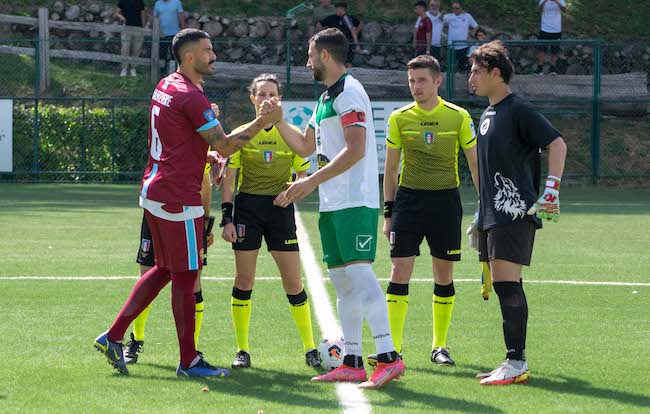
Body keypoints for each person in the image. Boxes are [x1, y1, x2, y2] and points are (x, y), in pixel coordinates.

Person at [93, 28, 283, 378]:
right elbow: (226, 145)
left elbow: (177, 135)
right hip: (178, 198)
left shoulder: (167, 84)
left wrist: (203, 154)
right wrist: (262, 122)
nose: (214, 56)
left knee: (166, 268)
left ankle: (114, 336)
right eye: (208, 51)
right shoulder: (192, 97)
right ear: (190, 56)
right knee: (186, 273)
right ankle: (189, 361)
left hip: (155, 190)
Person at [274, 28, 405, 389]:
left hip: (355, 200)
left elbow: (357, 149)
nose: (306, 61)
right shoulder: (325, 99)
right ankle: (352, 360)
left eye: (310, 54)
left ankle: (389, 357)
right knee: (343, 284)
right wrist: (276, 120)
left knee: (360, 276)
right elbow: (304, 146)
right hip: (333, 204)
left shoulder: (350, 92)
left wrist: (309, 182)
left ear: (326, 56)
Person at [369, 54, 478, 368]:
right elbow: (390, 170)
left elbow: (474, 163)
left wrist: (484, 209)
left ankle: (439, 346)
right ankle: (393, 348)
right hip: (408, 202)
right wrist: (388, 214)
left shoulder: (458, 116)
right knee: (399, 269)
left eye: (422, 80)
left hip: (446, 202)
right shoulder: (399, 118)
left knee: (443, 274)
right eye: (411, 81)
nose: (415, 87)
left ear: (437, 81)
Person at [468, 40, 567, 385]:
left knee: (507, 285)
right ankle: (512, 360)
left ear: (497, 73)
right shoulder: (488, 113)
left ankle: (517, 363)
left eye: (477, 71)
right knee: (504, 285)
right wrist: (481, 213)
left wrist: (551, 188)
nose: (471, 78)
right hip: (494, 214)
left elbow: (557, 143)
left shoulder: (518, 109)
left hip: (514, 213)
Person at [220, 73, 319, 369]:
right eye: (260, 94)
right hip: (248, 209)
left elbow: (302, 177)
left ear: (279, 99)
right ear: (252, 99)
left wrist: (290, 193)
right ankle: (242, 350)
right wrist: (226, 219)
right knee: (244, 280)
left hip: (280, 211)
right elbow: (229, 180)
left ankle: (310, 348)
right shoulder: (241, 134)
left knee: (293, 282)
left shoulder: (290, 133)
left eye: (271, 94)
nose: (266, 99)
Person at [124, 151, 221, 364]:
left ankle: (192, 350)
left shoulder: (197, 138)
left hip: (186, 215)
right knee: (146, 274)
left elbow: (205, 183)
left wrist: (205, 224)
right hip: (157, 207)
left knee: (193, 281)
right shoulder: (170, 130)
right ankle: (136, 339)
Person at [319, 2, 367, 67]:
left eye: (337, 9)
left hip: (346, 42)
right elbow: (319, 24)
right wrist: (324, 32)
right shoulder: (332, 18)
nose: (336, 11)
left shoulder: (346, 18)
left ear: (342, 9)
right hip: (335, 42)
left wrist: (356, 44)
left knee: (347, 60)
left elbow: (353, 31)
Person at [441, 1, 478, 72]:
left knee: (462, 66)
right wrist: (441, 14)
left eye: (457, 8)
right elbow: (440, 19)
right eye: (453, 8)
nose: (455, 10)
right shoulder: (449, 16)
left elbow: (476, 26)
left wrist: (470, 35)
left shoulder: (467, 16)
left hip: (463, 45)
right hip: (451, 46)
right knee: (451, 65)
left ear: (461, 8)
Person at [153, 0, 186, 74]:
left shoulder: (177, 2)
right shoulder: (157, 4)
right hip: (161, 34)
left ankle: (173, 72)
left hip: (174, 34)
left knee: (173, 53)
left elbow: (181, 15)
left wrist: (184, 27)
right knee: (162, 54)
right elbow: (155, 17)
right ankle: (162, 72)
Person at [116, 0, 146, 77]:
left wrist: (143, 27)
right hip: (126, 28)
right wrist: (121, 17)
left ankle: (133, 68)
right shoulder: (122, 1)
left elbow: (142, 14)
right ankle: (124, 69)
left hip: (138, 28)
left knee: (136, 49)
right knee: (125, 48)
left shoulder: (140, 1)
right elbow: (117, 12)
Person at [536, 0, 566, 75]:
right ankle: (540, 69)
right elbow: (538, 9)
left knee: (554, 51)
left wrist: (557, 2)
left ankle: (553, 69)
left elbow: (564, 10)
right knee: (542, 50)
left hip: (556, 30)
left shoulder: (560, 0)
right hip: (544, 29)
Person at [467, 27, 488, 96]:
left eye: (482, 35)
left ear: (485, 36)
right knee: (470, 75)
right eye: (479, 36)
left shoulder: (489, 47)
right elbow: (470, 60)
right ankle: (471, 95)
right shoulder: (474, 47)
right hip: (476, 66)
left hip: (487, 66)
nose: (481, 37)